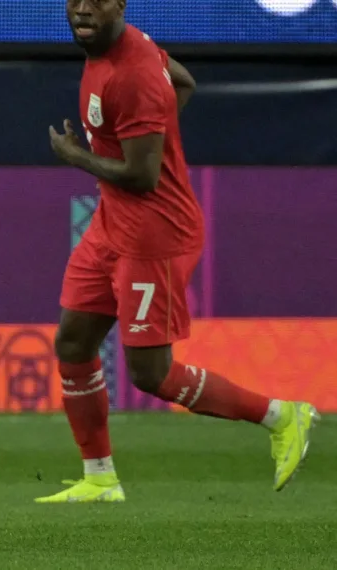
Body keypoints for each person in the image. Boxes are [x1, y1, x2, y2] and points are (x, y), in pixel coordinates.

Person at [41, 0, 319, 503]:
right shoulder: (122, 49)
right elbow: (185, 83)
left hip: (155, 237)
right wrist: (154, 133)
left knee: (151, 374)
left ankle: (281, 416)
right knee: (74, 344)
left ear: (119, 4)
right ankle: (100, 478)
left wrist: (77, 156)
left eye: (96, 1)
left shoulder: (134, 74)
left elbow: (142, 176)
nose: (82, 9)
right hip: (111, 226)